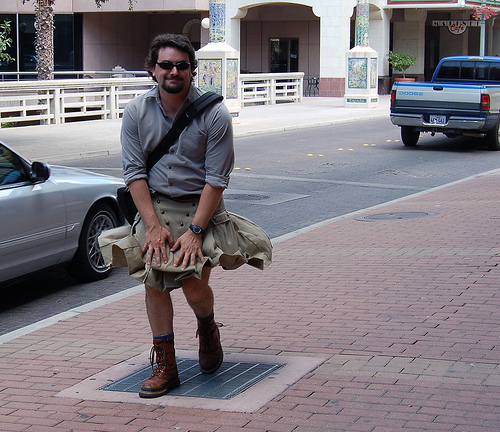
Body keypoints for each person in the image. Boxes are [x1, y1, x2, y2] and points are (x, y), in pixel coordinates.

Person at [100, 34, 271, 399]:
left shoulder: (214, 113)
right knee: (154, 282)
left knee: (194, 285)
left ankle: (207, 326)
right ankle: (166, 363)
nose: (173, 71)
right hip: (156, 208)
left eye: (181, 65)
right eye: (166, 65)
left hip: (201, 208)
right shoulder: (136, 112)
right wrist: (153, 226)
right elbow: (134, 173)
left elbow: (217, 179)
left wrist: (196, 230)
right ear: (152, 69)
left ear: (193, 70)